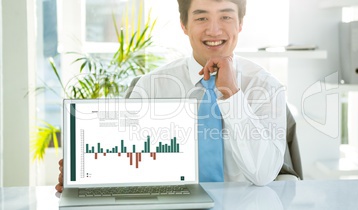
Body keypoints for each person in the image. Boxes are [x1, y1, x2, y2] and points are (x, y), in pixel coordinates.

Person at [55, 0, 286, 193]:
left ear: (240, 24)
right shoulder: (151, 87)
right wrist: (88, 172)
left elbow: (263, 174)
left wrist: (231, 95)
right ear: (184, 25)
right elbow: (126, 160)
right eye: (201, 18)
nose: (214, 30)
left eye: (225, 17)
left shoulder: (266, 87)